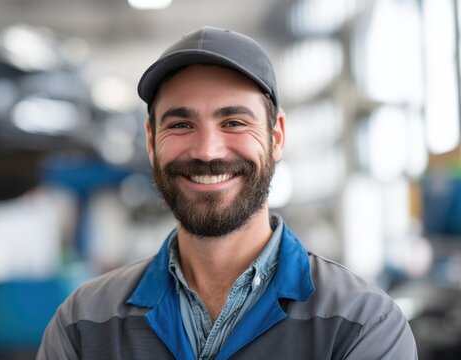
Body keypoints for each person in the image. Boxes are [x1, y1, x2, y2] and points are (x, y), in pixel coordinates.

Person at [37, 26, 417, 359]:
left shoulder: (361, 323)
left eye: (233, 121)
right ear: (151, 142)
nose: (207, 150)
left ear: (276, 136)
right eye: (182, 124)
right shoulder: (82, 324)